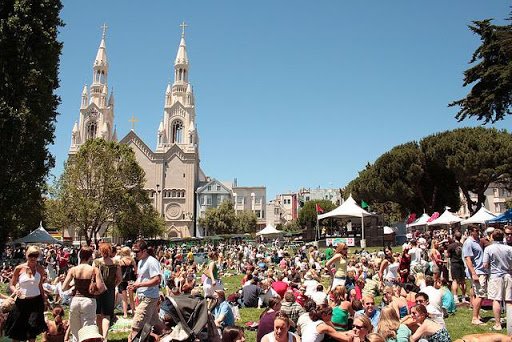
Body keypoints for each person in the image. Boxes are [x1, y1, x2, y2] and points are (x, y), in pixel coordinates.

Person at [4, 245, 49, 342]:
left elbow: (40, 286)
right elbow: (12, 284)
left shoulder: (40, 269)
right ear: (26, 255)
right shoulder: (19, 268)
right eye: (31, 255)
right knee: (17, 330)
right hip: (21, 303)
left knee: (32, 331)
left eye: (36, 256)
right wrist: (15, 291)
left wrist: (45, 301)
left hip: (36, 302)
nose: (33, 258)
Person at [62, 246, 106, 342]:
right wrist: (95, 291)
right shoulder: (94, 270)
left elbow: (64, 287)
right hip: (89, 300)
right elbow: (101, 288)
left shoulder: (73, 269)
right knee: (88, 331)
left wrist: (73, 285)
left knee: (75, 331)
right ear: (90, 257)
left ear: (80, 256)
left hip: (75, 300)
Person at [128, 240, 162, 342]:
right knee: (158, 325)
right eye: (133, 251)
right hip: (142, 296)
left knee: (135, 327)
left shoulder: (152, 262)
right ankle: (171, 336)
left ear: (144, 251)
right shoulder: (141, 262)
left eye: (137, 251)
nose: (135, 254)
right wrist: (135, 286)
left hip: (149, 298)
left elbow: (157, 280)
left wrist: (139, 284)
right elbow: (142, 278)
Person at [482, 228, 512, 331]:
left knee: (496, 300)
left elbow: (485, 265)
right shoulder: (509, 248)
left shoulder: (489, 249)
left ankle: (498, 324)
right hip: (508, 275)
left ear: (492, 237)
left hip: (495, 276)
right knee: (509, 300)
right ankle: (510, 322)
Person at [94, 242, 122, 341]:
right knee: (106, 314)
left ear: (100, 251)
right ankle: (105, 338)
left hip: (98, 290)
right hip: (110, 290)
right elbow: (119, 278)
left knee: (98, 314)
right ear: (110, 250)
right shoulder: (115, 263)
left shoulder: (96, 262)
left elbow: (93, 276)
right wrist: (113, 286)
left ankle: (99, 335)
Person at [462, 224, 488, 325]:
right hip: (477, 271)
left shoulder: (477, 241)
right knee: (481, 294)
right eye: (476, 230)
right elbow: (467, 258)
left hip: (481, 270)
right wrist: (473, 273)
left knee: (479, 293)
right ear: (470, 231)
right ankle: (474, 317)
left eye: (478, 230)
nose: (478, 232)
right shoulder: (469, 242)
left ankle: (477, 315)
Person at [446, 231, 467, 303]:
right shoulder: (462, 245)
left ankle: (456, 297)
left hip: (454, 264)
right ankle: (464, 297)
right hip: (462, 264)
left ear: (454, 237)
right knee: (463, 281)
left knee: (455, 280)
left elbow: (447, 255)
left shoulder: (451, 245)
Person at [117, 246, 137, 318]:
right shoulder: (132, 260)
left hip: (122, 280)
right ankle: (133, 311)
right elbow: (135, 271)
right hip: (130, 280)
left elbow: (118, 271)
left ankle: (125, 313)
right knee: (131, 297)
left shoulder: (120, 261)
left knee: (124, 298)